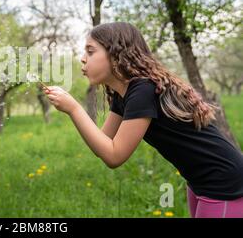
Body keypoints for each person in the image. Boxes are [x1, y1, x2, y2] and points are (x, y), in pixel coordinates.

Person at [44, 22, 243, 218]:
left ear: (115, 55)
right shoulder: (123, 94)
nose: (83, 59)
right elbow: (103, 144)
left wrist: (74, 109)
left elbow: (114, 157)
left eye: (90, 51)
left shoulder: (143, 89)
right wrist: (72, 109)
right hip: (199, 182)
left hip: (223, 182)